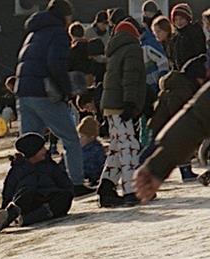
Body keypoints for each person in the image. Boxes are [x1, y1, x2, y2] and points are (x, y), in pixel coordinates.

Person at [16, 0, 88, 190]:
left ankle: (29, 183)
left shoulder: (33, 32)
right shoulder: (58, 33)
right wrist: (67, 91)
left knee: (30, 144)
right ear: (65, 16)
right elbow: (56, 64)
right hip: (44, 92)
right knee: (71, 138)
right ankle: (76, 182)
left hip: (24, 91)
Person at [97, 20, 146, 208]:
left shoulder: (115, 51)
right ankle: (131, 190)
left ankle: (106, 188)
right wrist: (131, 103)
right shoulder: (132, 49)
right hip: (121, 105)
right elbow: (131, 78)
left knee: (118, 147)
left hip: (110, 106)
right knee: (129, 146)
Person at [135, 83, 210, 202]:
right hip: (162, 129)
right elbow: (199, 118)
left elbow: (197, 118)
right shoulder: (177, 91)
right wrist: (159, 165)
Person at [0, 133, 74, 233]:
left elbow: (65, 183)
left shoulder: (49, 165)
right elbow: (8, 189)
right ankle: (9, 215)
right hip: (28, 204)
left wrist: (66, 193)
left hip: (49, 200)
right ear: (32, 152)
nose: (45, 150)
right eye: (41, 148)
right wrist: (4, 207)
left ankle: (25, 219)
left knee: (63, 198)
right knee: (26, 191)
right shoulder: (18, 169)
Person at [147, 55, 207, 181]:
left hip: (164, 126)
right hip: (165, 126)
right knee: (156, 151)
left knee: (159, 150)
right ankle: (184, 172)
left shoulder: (181, 86)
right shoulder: (182, 89)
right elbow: (178, 112)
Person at [170, 3, 206, 71]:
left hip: (194, 71)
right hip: (181, 70)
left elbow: (200, 53)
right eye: (176, 19)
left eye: (181, 19)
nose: (179, 22)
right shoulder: (176, 37)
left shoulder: (194, 32)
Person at [78, 116, 107, 186]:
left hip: (90, 176)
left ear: (91, 137)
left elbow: (99, 167)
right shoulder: (81, 149)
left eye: (82, 137)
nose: (80, 140)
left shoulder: (97, 150)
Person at [68, 22, 92, 94]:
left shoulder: (71, 50)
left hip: (75, 77)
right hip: (89, 77)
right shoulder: (90, 47)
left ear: (71, 34)